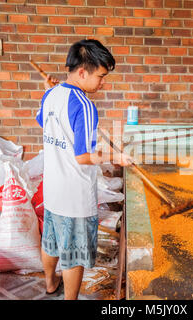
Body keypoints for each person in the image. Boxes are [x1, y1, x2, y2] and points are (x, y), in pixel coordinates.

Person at [35, 39, 132, 300]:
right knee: (74, 254)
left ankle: (49, 283)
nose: (103, 83)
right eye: (101, 76)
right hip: (74, 196)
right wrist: (116, 157)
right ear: (82, 72)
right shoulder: (85, 105)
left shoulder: (51, 94)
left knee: (52, 242)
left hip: (53, 190)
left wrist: (47, 91)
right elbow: (84, 157)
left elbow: (42, 120)